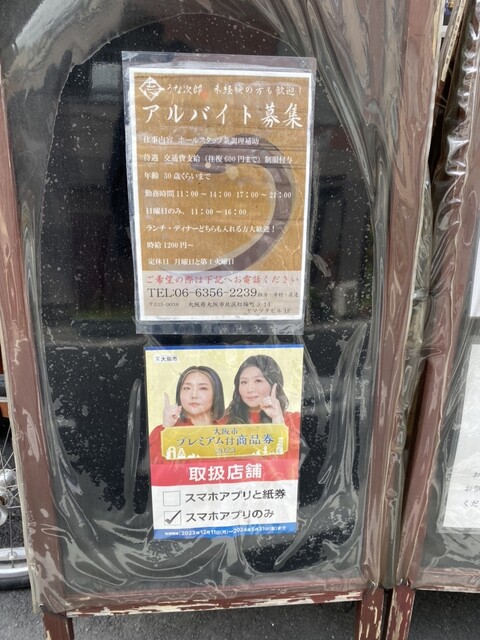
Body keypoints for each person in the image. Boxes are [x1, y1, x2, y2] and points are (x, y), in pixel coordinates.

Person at [149, 366, 225, 464]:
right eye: (187, 388)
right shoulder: (162, 431)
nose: (194, 395)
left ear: (216, 394)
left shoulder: (228, 430)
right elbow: (153, 470)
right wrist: (167, 431)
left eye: (202, 388)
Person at [225, 355, 300, 430]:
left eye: (258, 381)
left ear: (274, 384)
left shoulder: (295, 420)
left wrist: (277, 419)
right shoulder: (223, 421)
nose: (250, 389)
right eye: (244, 382)